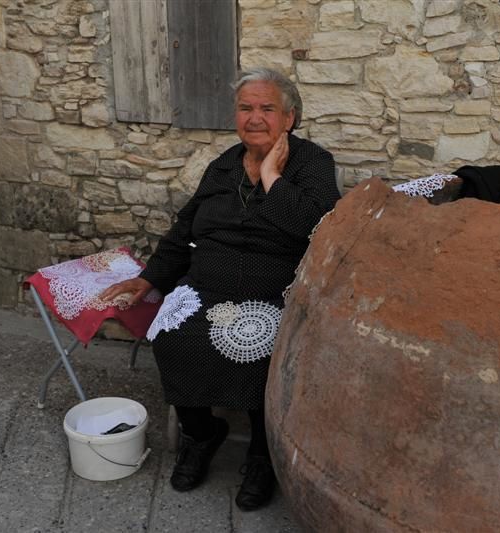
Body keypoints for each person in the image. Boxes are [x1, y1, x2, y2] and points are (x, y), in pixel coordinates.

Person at [101, 68, 341, 511]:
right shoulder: (223, 165)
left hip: (273, 286)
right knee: (173, 335)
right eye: (246, 107)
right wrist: (150, 277)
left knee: (265, 344)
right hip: (207, 282)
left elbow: (317, 227)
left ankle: (261, 453)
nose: (254, 118)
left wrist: (272, 176)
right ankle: (200, 433)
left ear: (289, 118)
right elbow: (185, 227)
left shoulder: (312, 164)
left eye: (267, 108)